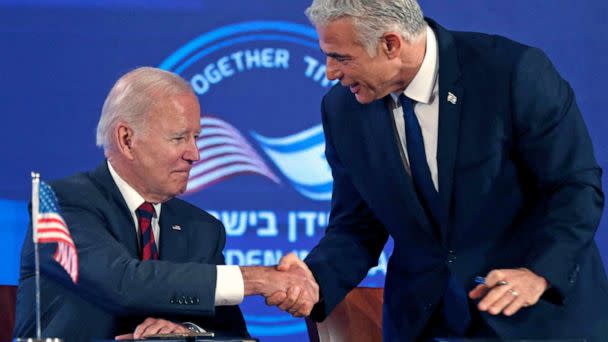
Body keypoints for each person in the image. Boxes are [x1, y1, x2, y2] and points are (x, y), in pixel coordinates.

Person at [271, 0, 608, 341]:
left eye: (341, 57)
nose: (330, 71)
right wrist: (313, 281)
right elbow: (356, 226)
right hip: (426, 323)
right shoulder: (342, 109)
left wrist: (538, 272)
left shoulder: (510, 73)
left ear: (391, 44)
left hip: (536, 321)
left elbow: (574, 187)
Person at [13, 67, 318, 341]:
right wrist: (260, 279)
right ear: (127, 139)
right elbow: (124, 282)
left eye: (196, 137)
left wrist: (189, 334)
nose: (195, 154)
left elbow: (234, 337)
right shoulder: (62, 204)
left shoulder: (202, 229)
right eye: (179, 138)